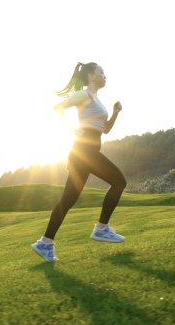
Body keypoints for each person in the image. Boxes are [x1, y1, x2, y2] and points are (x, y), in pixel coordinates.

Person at [32, 62, 126, 262]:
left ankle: (45, 243)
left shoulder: (96, 99)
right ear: (91, 76)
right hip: (84, 149)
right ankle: (101, 229)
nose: (105, 75)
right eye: (102, 72)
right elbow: (57, 108)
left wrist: (115, 112)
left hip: (86, 150)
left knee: (68, 199)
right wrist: (71, 128)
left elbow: (105, 130)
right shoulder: (84, 95)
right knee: (119, 182)